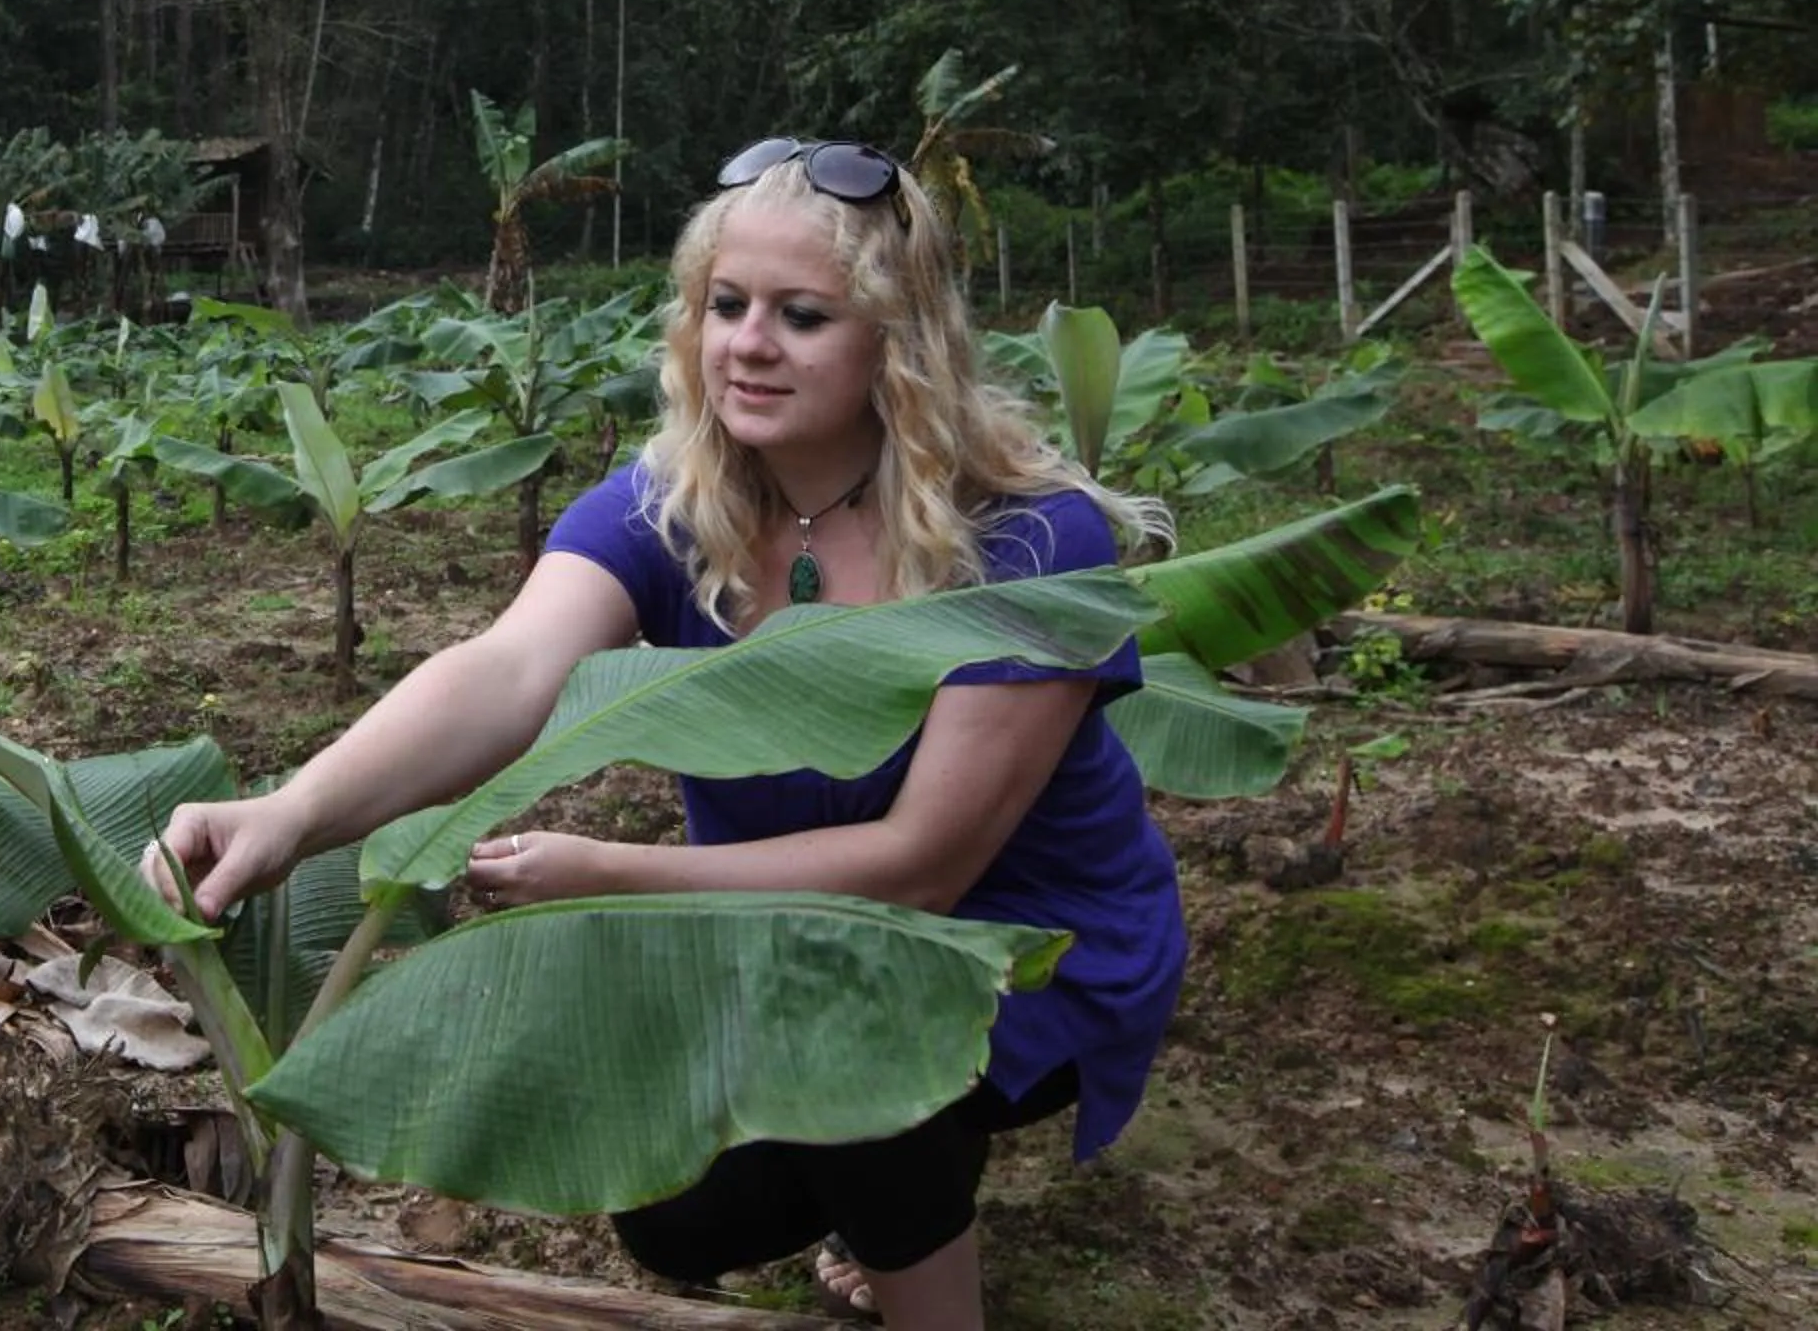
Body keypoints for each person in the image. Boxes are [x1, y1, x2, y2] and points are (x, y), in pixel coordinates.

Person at [145, 138, 1185, 1331]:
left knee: (850, 1059)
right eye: (725, 305)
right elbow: (507, 668)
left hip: (1028, 948)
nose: (748, 343)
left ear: (896, 340)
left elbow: (918, 871)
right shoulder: (674, 504)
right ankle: (911, 1176)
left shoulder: (1027, 540)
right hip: (767, 930)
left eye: (802, 315)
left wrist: (607, 871)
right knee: (676, 1219)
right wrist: (291, 813)